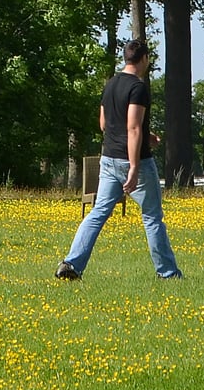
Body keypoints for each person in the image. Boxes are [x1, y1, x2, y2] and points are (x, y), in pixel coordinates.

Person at [56, 38, 182, 280]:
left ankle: (71, 264)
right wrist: (134, 166)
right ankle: (167, 273)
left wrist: (147, 136)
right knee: (152, 216)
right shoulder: (138, 87)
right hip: (135, 162)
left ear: (126, 58)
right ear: (144, 59)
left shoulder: (111, 84)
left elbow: (105, 124)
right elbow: (133, 128)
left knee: (98, 212)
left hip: (108, 159)